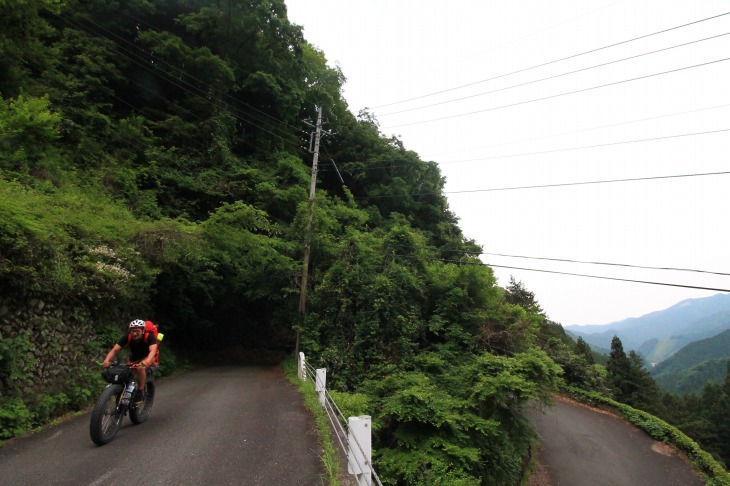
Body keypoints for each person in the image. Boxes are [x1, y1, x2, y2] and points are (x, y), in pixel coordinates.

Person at [102, 319, 158, 405]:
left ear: (143, 331)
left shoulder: (149, 336)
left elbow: (153, 350)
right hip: (135, 357)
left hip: (149, 357)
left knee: (140, 368)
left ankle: (139, 392)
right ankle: (124, 390)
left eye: (137, 331)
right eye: (132, 331)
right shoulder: (128, 337)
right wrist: (106, 360)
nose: (134, 333)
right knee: (126, 372)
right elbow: (115, 349)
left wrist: (146, 361)